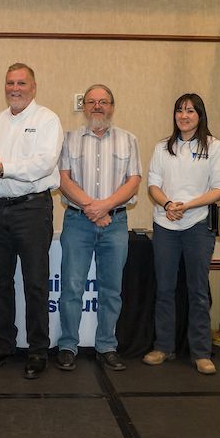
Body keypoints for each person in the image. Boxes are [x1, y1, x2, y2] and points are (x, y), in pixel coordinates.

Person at [0, 63, 63, 380]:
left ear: (33, 87)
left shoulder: (47, 120)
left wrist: (1, 168)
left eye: (22, 83)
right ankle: (3, 345)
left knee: (35, 282)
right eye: (10, 83)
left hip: (32, 210)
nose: (15, 88)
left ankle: (38, 350)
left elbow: (44, 164)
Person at [56, 84, 142, 372]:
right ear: (84, 107)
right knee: (71, 287)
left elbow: (133, 182)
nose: (97, 106)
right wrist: (93, 208)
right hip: (77, 222)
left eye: (103, 102)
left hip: (115, 223)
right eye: (91, 101)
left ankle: (107, 346)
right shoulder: (69, 139)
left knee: (111, 289)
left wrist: (104, 207)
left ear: (112, 107)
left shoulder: (129, 140)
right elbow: (63, 180)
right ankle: (68, 345)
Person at [144, 93, 220, 375]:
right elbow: (153, 185)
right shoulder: (162, 148)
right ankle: (163, 347)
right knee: (164, 289)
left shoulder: (214, 147)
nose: (184, 116)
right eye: (180, 110)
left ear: (200, 115)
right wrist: (168, 204)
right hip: (165, 224)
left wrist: (187, 205)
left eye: (190, 111)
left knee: (198, 290)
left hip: (198, 225)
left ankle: (201, 352)